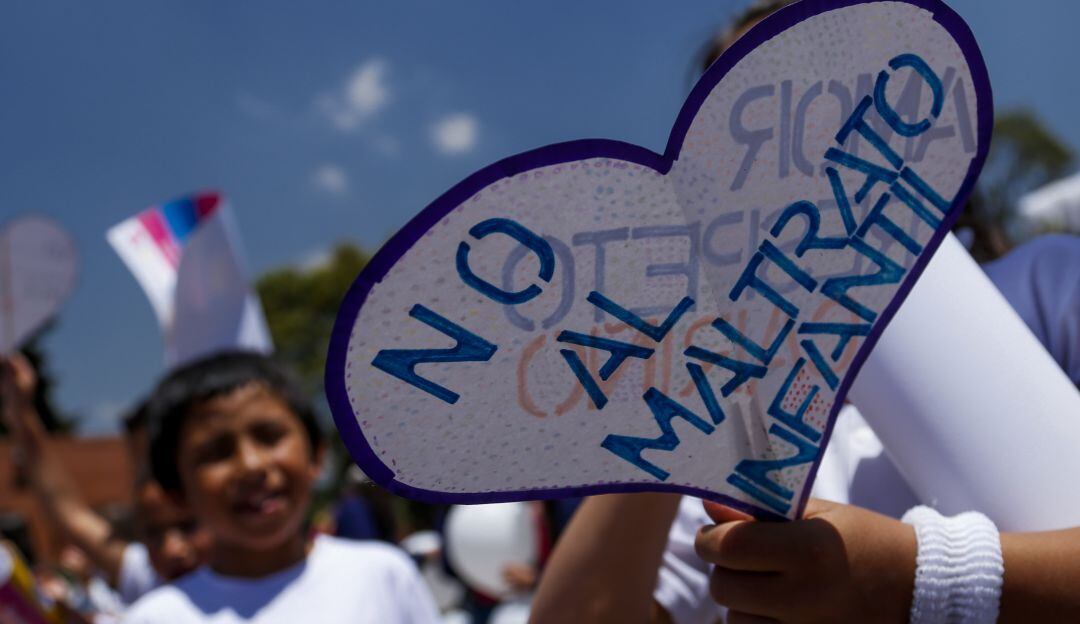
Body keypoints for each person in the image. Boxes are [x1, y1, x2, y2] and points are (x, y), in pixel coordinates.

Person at [530, 1, 1080, 621]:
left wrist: (922, 579)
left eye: (815, 91)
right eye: (737, 129)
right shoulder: (736, 433)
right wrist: (668, 367)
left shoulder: (1048, 287)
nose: (787, 148)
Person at [123, 351, 440, 623]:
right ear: (178, 489)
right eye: (217, 452)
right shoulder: (156, 617)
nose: (251, 465)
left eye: (269, 436)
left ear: (316, 454)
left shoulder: (382, 575)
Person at [0, 352, 209, 610]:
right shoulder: (145, 578)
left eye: (188, 526)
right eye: (153, 533)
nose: (172, 549)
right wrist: (21, 413)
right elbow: (67, 510)